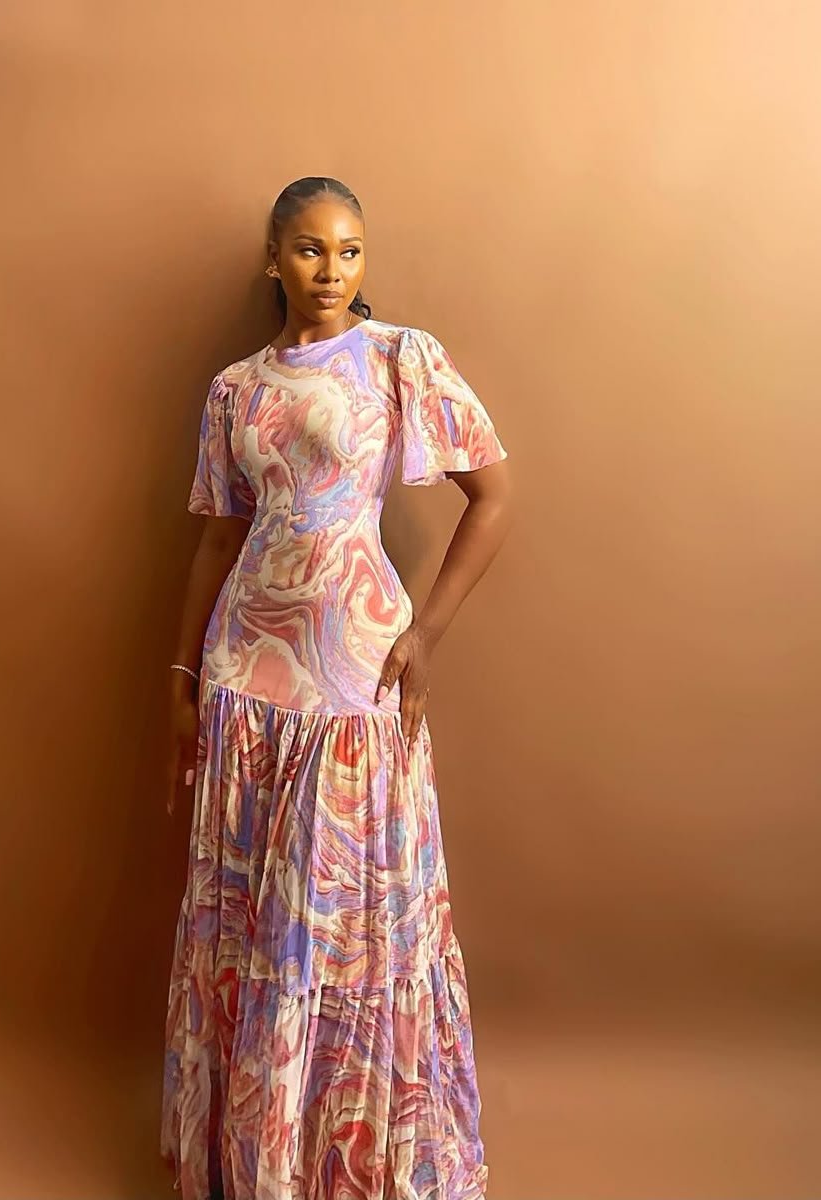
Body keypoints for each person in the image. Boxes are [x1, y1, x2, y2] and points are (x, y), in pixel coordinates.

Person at [160, 175, 513, 1200]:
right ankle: (257, 1161)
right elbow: (218, 540)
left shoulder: (399, 358)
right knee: (250, 927)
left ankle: (347, 1164)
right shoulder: (236, 389)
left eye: (350, 249)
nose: (332, 269)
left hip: (353, 672)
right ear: (273, 259)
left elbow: (492, 497)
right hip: (244, 674)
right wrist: (181, 674)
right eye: (310, 249)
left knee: (346, 926)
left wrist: (425, 635)